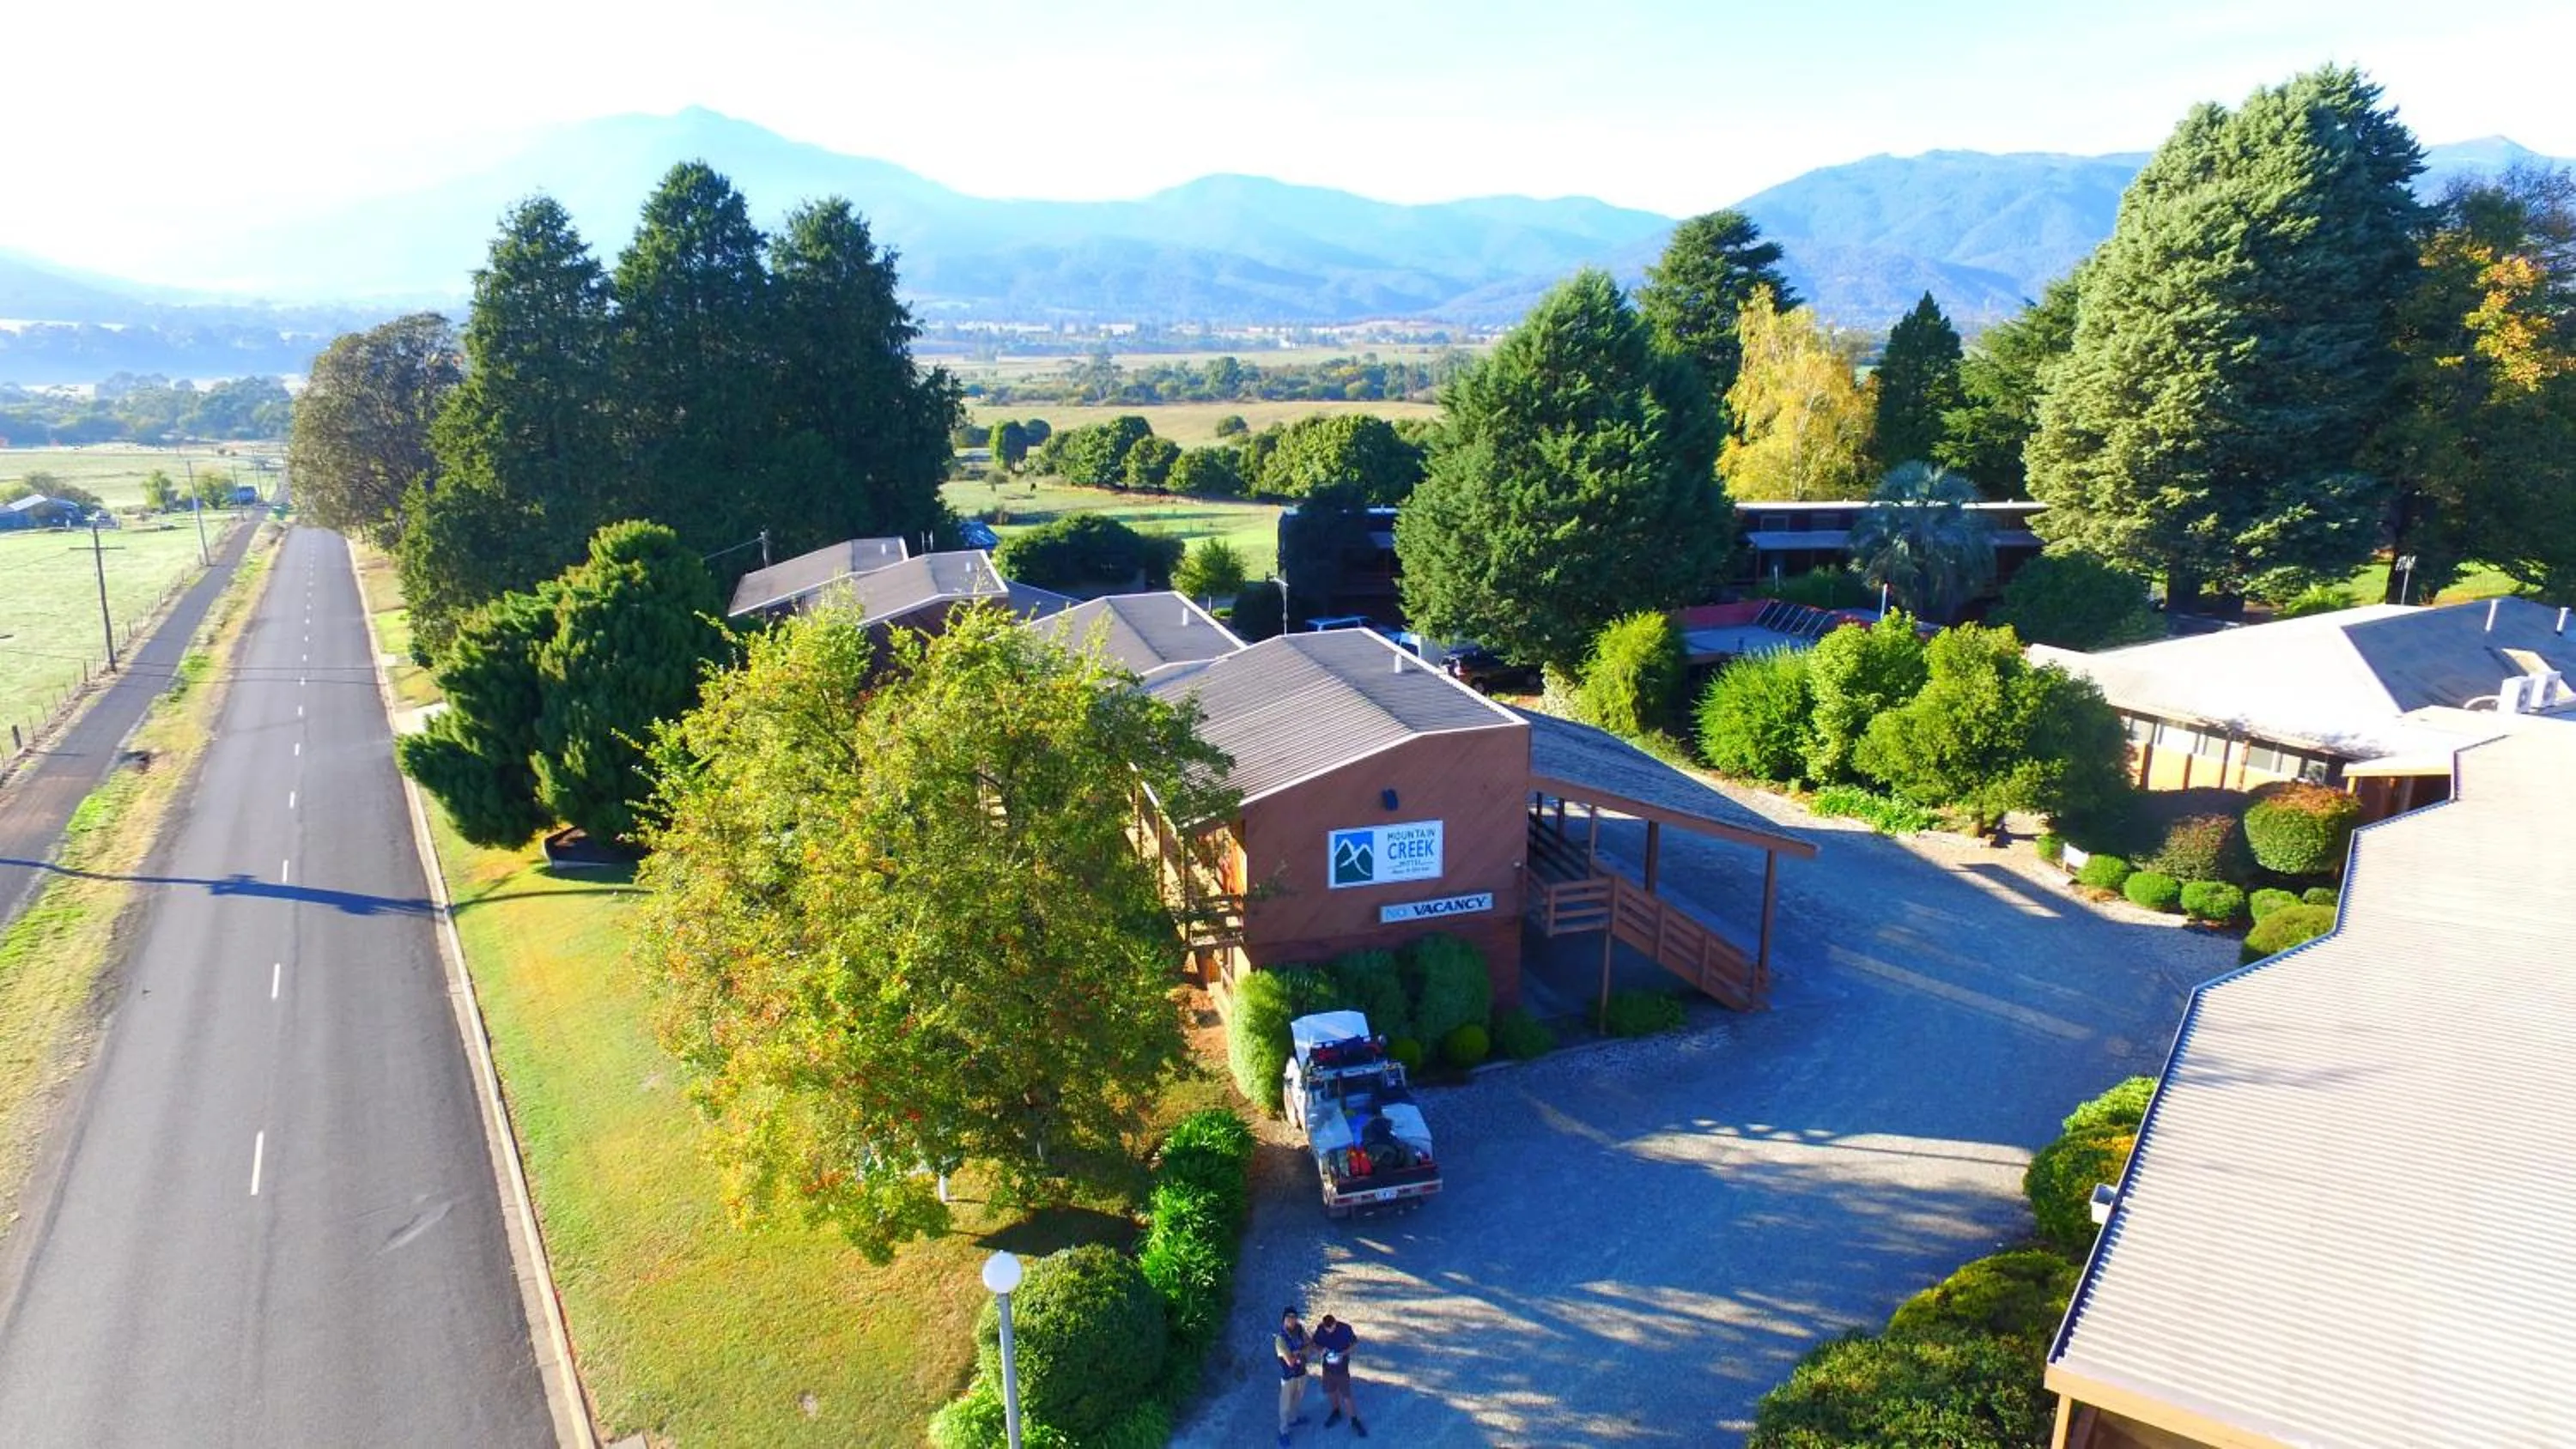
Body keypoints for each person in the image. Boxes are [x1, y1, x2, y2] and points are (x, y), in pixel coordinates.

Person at [1312, 1313, 1366, 1436]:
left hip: (1342, 1369)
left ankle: (1354, 1420)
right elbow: (1314, 1344)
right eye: (1327, 1329)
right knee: (1331, 1391)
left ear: (1335, 1324)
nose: (1329, 1331)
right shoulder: (1321, 1330)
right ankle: (1336, 1411)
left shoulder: (1345, 1329)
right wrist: (1320, 1350)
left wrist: (1343, 1353)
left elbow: (1354, 1344)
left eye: (1331, 1328)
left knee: (1346, 1395)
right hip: (1327, 1368)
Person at [1274, 1305, 1311, 1446]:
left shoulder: (1300, 1330)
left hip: (1301, 1372)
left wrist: (1298, 1353)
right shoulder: (1280, 1339)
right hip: (1288, 1376)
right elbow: (1289, 1362)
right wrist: (1302, 1353)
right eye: (1288, 1318)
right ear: (1283, 1320)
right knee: (1285, 1404)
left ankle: (1294, 1419)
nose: (1291, 1321)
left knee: (1298, 1397)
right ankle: (1283, 1431)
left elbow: (1310, 1344)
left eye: (1294, 1318)